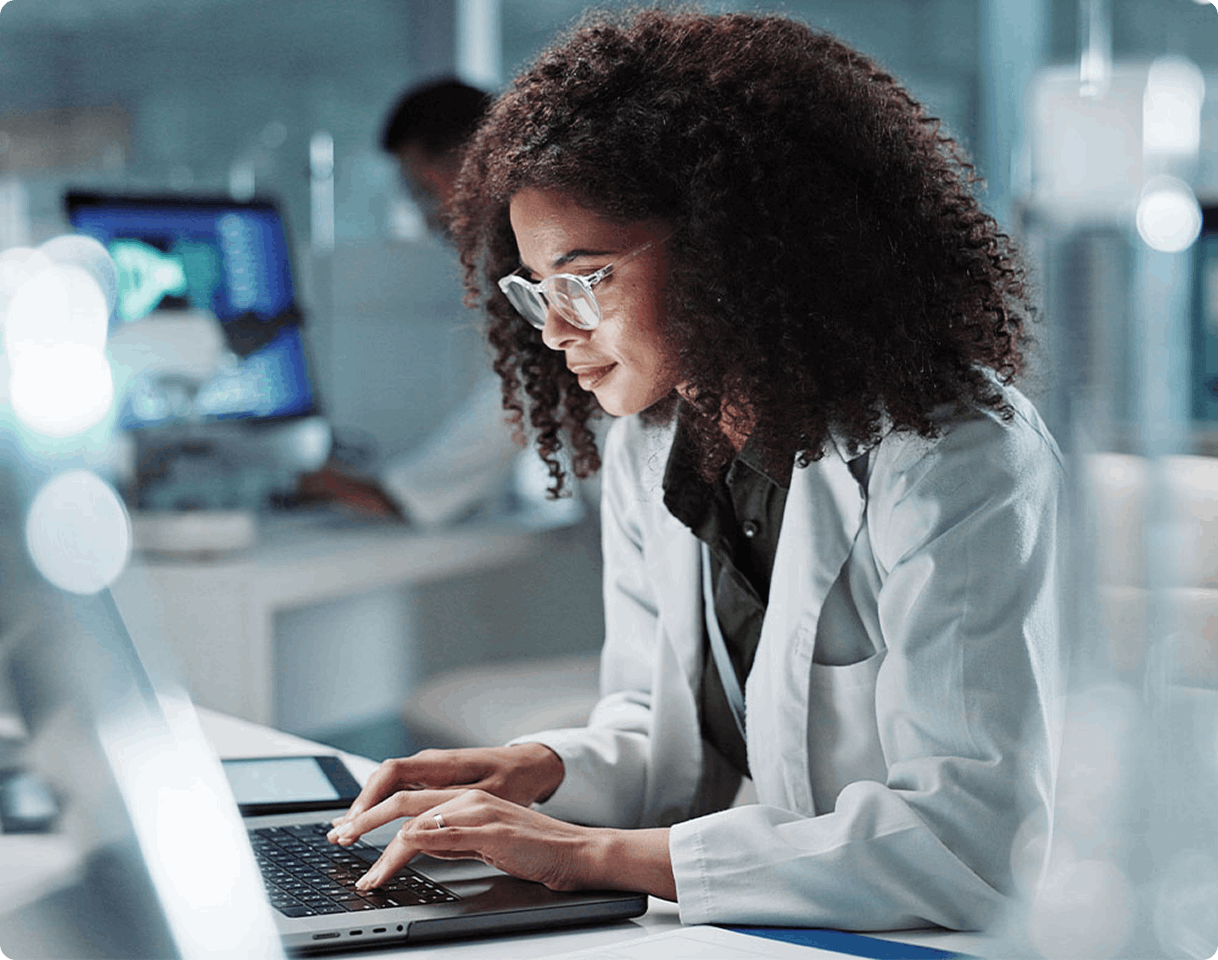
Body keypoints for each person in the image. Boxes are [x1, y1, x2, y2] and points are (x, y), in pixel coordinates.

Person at [326, 9, 1064, 933]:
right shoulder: (654, 439)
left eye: (584, 277)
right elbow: (666, 737)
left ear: (734, 247)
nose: (553, 332)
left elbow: (966, 845)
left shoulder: (951, 452)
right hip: (751, 924)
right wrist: (541, 768)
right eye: (533, 287)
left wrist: (585, 854)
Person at [298, 79, 524, 525]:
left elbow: (517, 398)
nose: (428, 212)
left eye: (422, 189)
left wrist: (398, 494)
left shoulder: (541, 253)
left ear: (471, 162)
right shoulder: (518, 253)